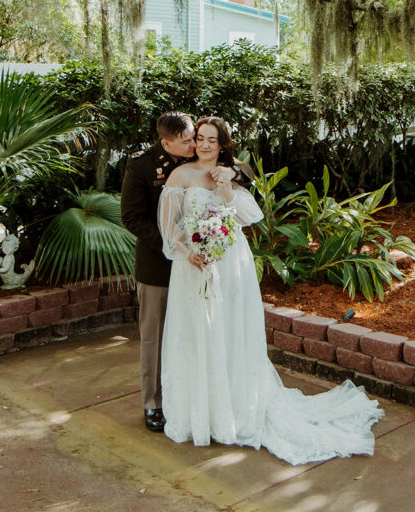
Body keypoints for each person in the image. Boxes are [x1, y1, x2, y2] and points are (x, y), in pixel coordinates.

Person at [158, 116, 383, 466]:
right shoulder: (179, 176)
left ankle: (234, 408)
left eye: (211, 140)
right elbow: (169, 227)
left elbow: (250, 217)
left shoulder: (233, 173)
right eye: (199, 138)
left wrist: (228, 186)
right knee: (197, 333)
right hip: (194, 268)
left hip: (231, 264)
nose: (203, 145)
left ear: (222, 144)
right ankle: (201, 414)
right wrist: (189, 253)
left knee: (230, 332)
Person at [121, 111, 253, 432]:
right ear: (167, 143)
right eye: (187, 141)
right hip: (160, 264)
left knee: (198, 332)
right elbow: (133, 218)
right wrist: (179, 247)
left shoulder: (206, 159)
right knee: (155, 335)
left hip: (205, 265)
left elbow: (244, 174)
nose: (195, 144)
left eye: (196, 137)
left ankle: (195, 397)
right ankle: (153, 403)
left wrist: (228, 171)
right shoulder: (140, 166)